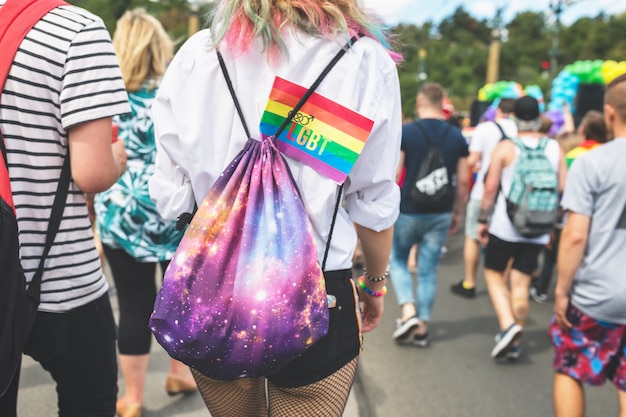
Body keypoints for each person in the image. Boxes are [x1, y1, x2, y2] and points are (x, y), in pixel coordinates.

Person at [148, 1, 402, 416]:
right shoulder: (363, 60)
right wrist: (375, 283)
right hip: (319, 289)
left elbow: (169, 196)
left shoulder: (197, 53)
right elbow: (373, 200)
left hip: (215, 287)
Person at [0, 1, 130, 416]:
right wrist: (119, 156)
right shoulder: (77, 29)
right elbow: (91, 173)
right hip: (58, 277)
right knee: (87, 397)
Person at [93, 9, 195, 417]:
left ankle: (133, 399)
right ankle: (181, 373)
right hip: (172, 208)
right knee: (179, 302)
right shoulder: (177, 90)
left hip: (122, 208)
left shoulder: (105, 92)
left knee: (134, 304)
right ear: (159, 45)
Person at [551, 74, 626, 417]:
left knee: (569, 367)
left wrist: (562, 291)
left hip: (600, 294)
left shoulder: (591, 162)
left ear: (609, 113)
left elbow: (575, 234)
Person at [478, 96, 567, 360]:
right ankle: (514, 343)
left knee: (494, 274)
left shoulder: (506, 147)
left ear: (515, 117)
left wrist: (483, 220)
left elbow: (491, 187)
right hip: (538, 227)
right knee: (521, 282)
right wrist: (550, 223)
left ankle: (508, 326)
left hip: (506, 226)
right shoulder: (553, 147)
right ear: (539, 118)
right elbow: (563, 188)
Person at [389, 82, 469, 346]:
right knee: (427, 271)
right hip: (442, 212)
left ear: (419, 103)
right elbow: (464, 180)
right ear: (442, 103)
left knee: (398, 260)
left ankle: (408, 310)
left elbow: (395, 174)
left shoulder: (407, 132)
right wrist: (458, 212)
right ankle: (422, 328)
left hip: (410, 209)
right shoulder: (457, 136)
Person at [530, 109, 608, 304]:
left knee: (552, 256)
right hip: (604, 224)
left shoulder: (574, 157)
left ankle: (543, 289)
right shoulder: (614, 157)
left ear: (583, 131)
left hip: (571, 218)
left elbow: (560, 189)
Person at [451, 97, 517, 299]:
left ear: (497, 110)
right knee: (506, 240)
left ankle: (469, 282)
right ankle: (503, 284)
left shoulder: (485, 129)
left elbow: (472, 160)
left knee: (472, 236)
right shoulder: (519, 131)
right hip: (509, 196)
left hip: (482, 192)